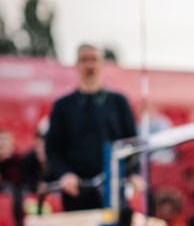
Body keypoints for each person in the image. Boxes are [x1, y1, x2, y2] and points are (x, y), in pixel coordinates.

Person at [45, 44, 138, 211]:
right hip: (76, 190)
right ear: (77, 65)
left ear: (102, 63)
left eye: (94, 59)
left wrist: (134, 174)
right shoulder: (62, 106)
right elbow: (52, 147)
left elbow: (132, 143)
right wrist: (64, 174)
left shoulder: (118, 102)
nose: (89, 65)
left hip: (113, 188)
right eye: (84, 60)